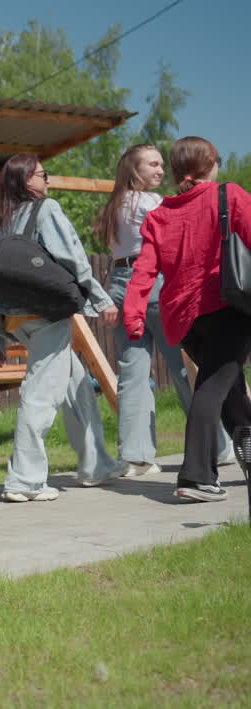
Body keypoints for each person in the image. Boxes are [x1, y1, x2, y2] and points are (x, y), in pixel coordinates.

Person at [0, 154, 128, 503]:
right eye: (43, 175)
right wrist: (102, 299)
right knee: (40, 394)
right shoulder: (45, 209)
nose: (48, 181)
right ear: (27, 182)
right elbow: (72, 257)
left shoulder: (4, 221)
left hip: (16, 319)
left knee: (76, 384)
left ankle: (97, 464)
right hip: (46, 316)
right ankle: (24, 480)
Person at [123, 136, 251, 502]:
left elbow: (143, 273)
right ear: (210, 163)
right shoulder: (228, 195)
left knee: (231, 393)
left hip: (183, 321)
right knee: (212, 386)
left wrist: (134, 317)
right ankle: (196, 477)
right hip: (228, 309)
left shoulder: (159, 215)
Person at [92, 144, 232, 477]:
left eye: (160, 164)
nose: (159, 170)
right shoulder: (152, 202)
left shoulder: (112, 207)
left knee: (132, 371)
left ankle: (137, 456)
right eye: (152, 165)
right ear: (133, 170)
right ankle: (216, 444)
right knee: (185, 365)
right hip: (151, 281)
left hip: (119, 283)